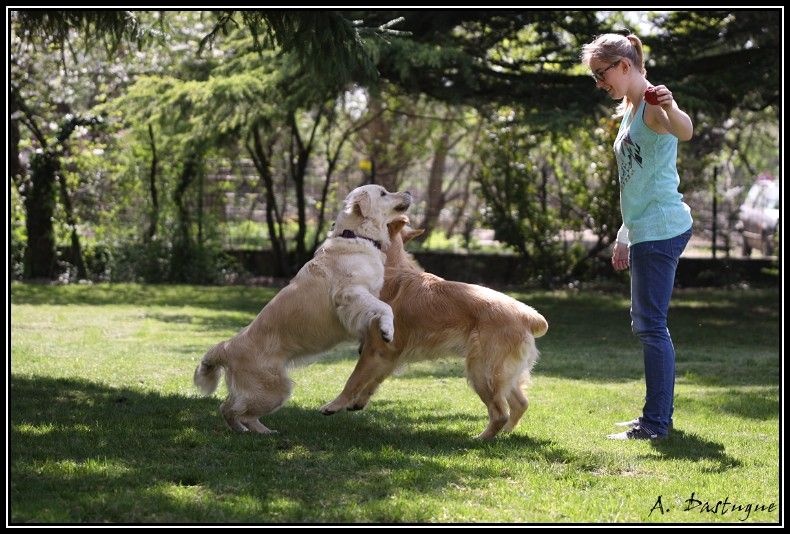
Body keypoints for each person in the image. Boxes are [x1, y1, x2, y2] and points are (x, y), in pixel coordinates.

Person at [581, 33, 694, 440]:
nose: (599, 83)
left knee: (650, 326)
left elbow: (683, 131)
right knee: (648, 325)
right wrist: (624, 233)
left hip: (662, 228)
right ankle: (655, 416)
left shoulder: (652, 104)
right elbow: (635, 183)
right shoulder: (630, 107)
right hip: (646, 228)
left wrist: (671, 104)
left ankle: (655, 423)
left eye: (601, 74)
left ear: (624, 66)